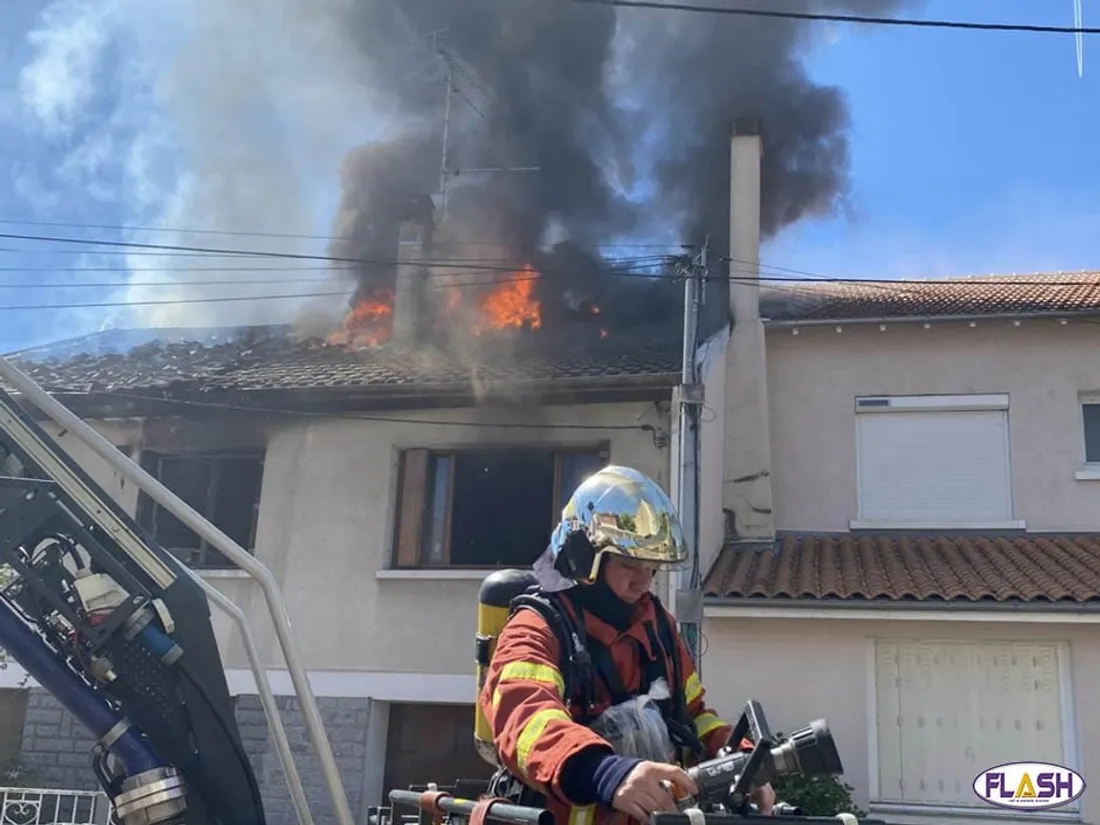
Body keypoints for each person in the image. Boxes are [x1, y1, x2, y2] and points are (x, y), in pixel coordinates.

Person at [478, 465, 776, 825]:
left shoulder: (657, 626)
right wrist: (605, 772)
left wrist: (739, 762)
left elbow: (692, 715)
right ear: (583, 557)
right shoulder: (537, 626)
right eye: (630, 564)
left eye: (652, 568)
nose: (643, 582)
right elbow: (525, 718)